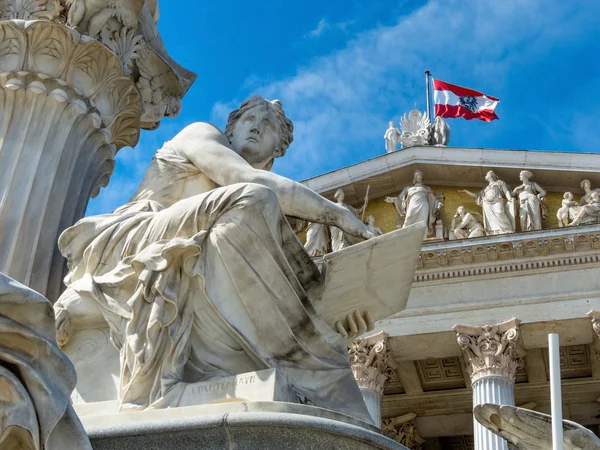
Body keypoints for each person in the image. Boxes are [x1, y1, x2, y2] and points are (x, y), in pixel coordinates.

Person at [54, 96, 378, 422]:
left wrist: (336, 319)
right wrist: (335, 213)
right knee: (253, 198)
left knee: (255, 216)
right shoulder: (203, 135)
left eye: (268, 127)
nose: (255, 126)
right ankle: (309, 365)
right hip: (131, 239)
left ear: (277, 150)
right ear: (231, 127)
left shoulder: (253, 228)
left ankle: (332, 387)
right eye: (249, 118)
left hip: (200, 252)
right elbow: (246, 180)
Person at [385, 170, 441, 236]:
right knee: (408, 219)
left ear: (422, 178)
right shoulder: (408, 189)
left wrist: (438, 203)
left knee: (423, 222)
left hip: (423, 204)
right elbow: (400, 199)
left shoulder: (426, 188)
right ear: (414, 178)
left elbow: (433, 198)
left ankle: (423, 237)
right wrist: (394, 200)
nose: (417, 177)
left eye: (419, 175)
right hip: (412, 205)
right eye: (416, 175)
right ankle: (405, 236)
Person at [459, 171, 515, 235]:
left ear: (491, 175)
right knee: (490, 219)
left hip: (497, 200)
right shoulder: (486, 188)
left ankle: (507, 229)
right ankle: (493, 232)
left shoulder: (499, 182)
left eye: (486, 174)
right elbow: (476, 196)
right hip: (487, 204)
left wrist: (509, 198)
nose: (485, 176)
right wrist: (466, 191)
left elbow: (506, 191)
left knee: (500, 212)